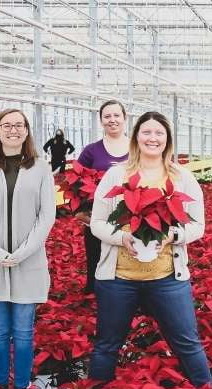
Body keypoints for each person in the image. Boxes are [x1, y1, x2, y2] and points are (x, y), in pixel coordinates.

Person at [88, 111, 211, 386]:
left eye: (159, 133)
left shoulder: (182, 177)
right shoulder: (116, 175)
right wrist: (123, 238)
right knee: (106, 346)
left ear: (168, 140)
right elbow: (96, 223)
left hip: (167, 277)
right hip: (118, 278)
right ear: (136, 137)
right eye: (146, 132)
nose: (152, 138)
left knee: (188, 344)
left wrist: (172, 236)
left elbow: (198, 226)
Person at [0, 108, 56, 389]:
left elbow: (46, 215)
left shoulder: (41, 168)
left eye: (19, 125)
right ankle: (0, 386)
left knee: (24, 333)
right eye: (7, 125)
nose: (13, 130)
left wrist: (23, 251)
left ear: (27, 131)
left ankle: (21, 387)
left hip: (28, 262)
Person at [77, 100, 130, 293]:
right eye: (107, 116)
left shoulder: (137, 147)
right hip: (97, 217)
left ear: (125, 118)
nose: (112, 120)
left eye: (116, 115)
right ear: (101, 120)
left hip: (131, 217)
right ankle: (95, 293)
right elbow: (76, 180)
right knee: (96, 256)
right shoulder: (91, 150)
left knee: (129, 257)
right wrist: (81, 212)